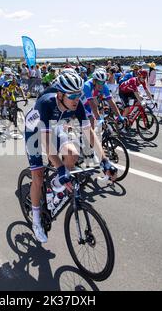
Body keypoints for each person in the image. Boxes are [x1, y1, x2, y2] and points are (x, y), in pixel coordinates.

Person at [24, 71, 117, 243]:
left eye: (79, 94)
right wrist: (60, 168)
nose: (77, 99)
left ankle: (55, 184)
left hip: (54, 127)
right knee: (37, 176)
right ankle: (36, 221)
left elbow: (89, 133)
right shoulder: (46, 104)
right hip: (35, 132)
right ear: (60, 94)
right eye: (72, 95)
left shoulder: (77, 104)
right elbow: (46, 142)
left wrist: (104, 160)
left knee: (73, 154)